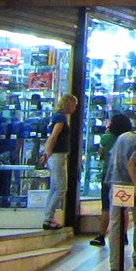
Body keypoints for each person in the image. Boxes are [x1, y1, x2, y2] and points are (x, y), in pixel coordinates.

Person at [106, 116, 136, 271]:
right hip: (130, 184)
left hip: (116, 182)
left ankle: (115, 264)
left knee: (116, 224)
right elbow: (133, 164)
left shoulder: (122, 137)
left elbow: (111, 158)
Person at [90, 113, 131, 247]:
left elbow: (101, 154)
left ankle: (101, 236)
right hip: (124, 176)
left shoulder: (106, 138)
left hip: (108, 174)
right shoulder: (128, 140)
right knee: (124, 207)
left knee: (106, 207)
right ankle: (124, 235)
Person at [38, 94, 78, 230]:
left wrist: (46, 153)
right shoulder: (61, 118)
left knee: (54, 187)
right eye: (74, 105)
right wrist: (48, 152)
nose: (75, 108)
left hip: (54, 155)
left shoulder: (56, 116)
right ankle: (48, 218)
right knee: (61, 187)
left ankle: (48, 217)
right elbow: (54, 136)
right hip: (57, 155)